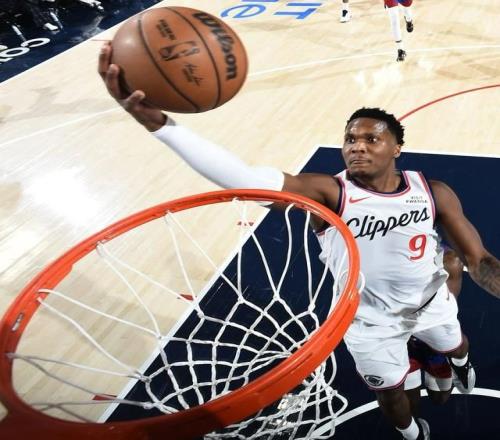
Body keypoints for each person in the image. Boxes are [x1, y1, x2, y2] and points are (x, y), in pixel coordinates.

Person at [98, 42, 500, 440]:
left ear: (397, 148)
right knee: (392, 393)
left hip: (429, 303)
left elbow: (479, 260)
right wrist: (161, 125)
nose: (357, 146)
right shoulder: (329, 193)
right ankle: (414, 435)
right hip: (368, 321)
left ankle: (458, 362)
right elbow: (244, 179)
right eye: (350, 139)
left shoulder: (432, 191)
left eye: (370, 139)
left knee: (455, 343)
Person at [404, 248, 466, 424]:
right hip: (403, 350)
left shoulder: (447, 265)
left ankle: (461, 365)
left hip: (435, 348)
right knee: (410, 407)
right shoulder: (381, 278)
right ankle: (415, 431)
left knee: (440, 398)